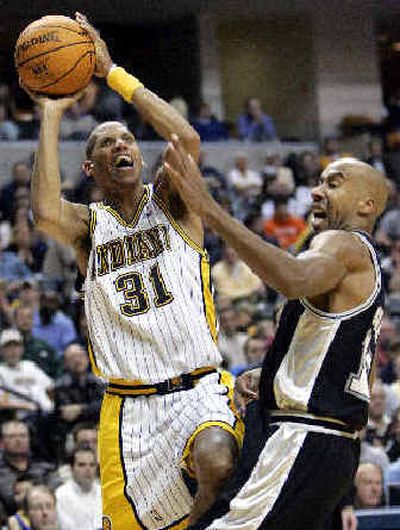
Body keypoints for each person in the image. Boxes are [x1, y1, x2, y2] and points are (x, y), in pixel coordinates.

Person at [27, 12, 243, 530]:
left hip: (200, 391)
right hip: (129, 412)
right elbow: (44, 213)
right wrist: (53, 112)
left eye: (126, 139)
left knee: (217, 457)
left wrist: (112, 74)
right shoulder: (87, 227)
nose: (121, 145)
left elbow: (186, 140)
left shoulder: (173, 203)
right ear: (91, 168)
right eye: (107, 143)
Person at [163, 137, 388, 529]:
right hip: (328, 444)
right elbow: (361, 375)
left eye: (333, 184)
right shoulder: (365, 267)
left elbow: (291, 277)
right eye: (319, 182)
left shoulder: (343, 243)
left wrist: (209, 210)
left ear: (366, 204)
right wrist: (272, 376)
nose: (317, 191)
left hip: (302, 437)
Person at [55, 446, 101, 530]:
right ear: (72, 468)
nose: (88, 469)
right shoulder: (60, 495)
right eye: (82, 465)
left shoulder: (104, 493)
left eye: (92, 465)